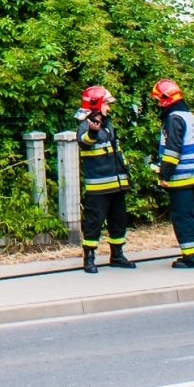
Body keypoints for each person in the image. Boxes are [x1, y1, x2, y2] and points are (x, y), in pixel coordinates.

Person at [76, 85, 134, 272]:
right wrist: (93, 132)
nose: (108, 108)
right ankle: (89, 259)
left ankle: (117, 255)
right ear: (96, 104)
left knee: (119, 221)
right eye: (106, 104)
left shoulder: (108, 126)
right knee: (93, 223)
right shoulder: (85, 125)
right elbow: (84, 143)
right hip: (99, 187)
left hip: (116, 185)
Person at [151, 78, 194, 268]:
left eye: (159, 99)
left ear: (166, 99)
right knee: (190, 215)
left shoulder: (174, 119)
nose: (158, 103)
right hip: (191, 175)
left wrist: (164, 175)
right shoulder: (187, 115)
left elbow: (172, 151)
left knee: (182, 217)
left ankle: (191, 258)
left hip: (180, 177)